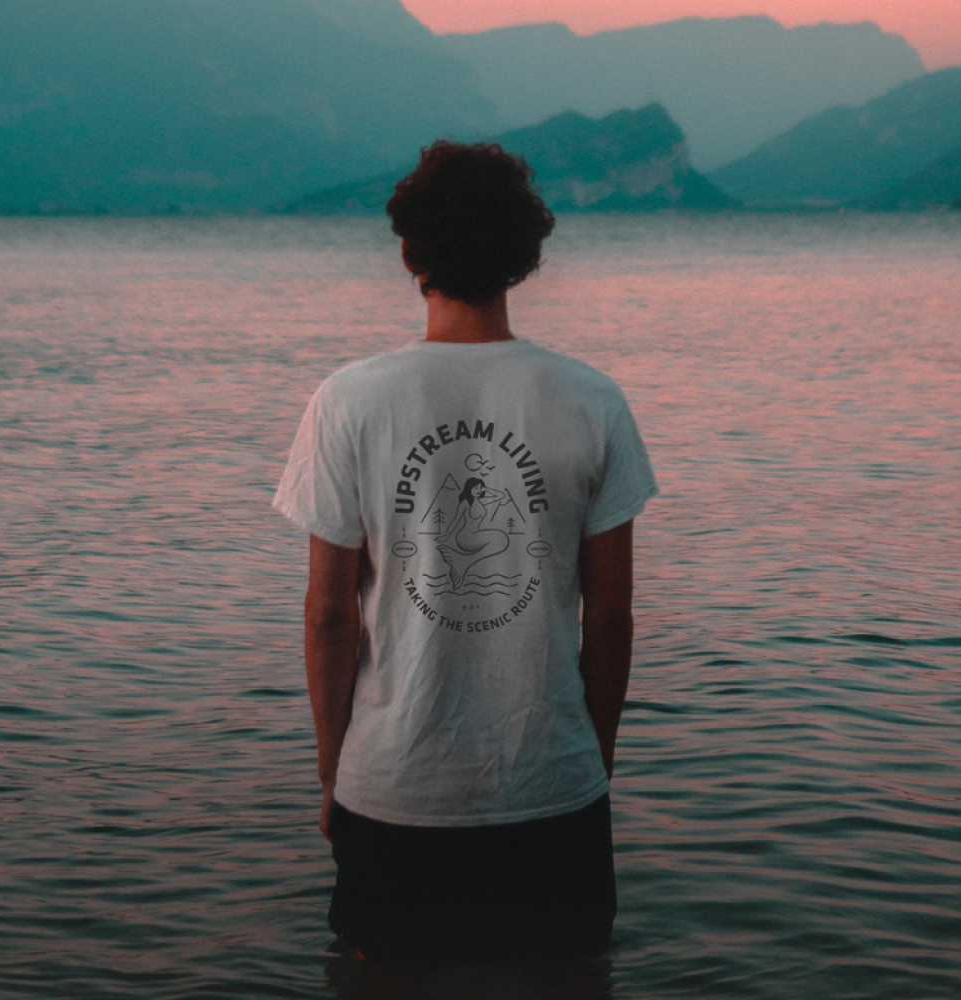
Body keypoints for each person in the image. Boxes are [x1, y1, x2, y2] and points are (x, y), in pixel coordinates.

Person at [274, 141, 658, 966]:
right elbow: (614, 617)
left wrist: (333, 770)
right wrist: (592, 760)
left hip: (393, 791)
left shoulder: (348, 401)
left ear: (410, 254)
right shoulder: (592, 402)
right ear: (526, 257)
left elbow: (327, 615)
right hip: (551, 787)